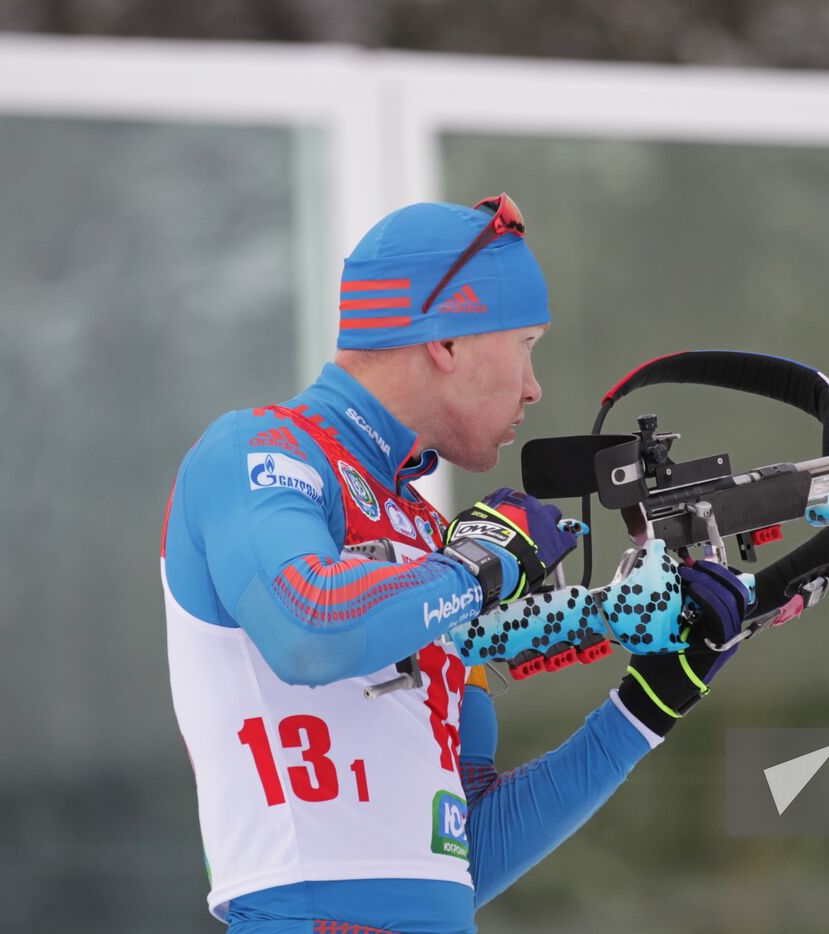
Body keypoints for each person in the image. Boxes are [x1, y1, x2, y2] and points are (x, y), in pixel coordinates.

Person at [161, 195, 752, 934]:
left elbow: (456, 860)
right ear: (448, 342)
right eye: (526, 343)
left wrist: (640, 712)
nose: (534, 386)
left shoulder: (424, 532)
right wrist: (478, 566)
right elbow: (308, 629)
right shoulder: (257, 452)